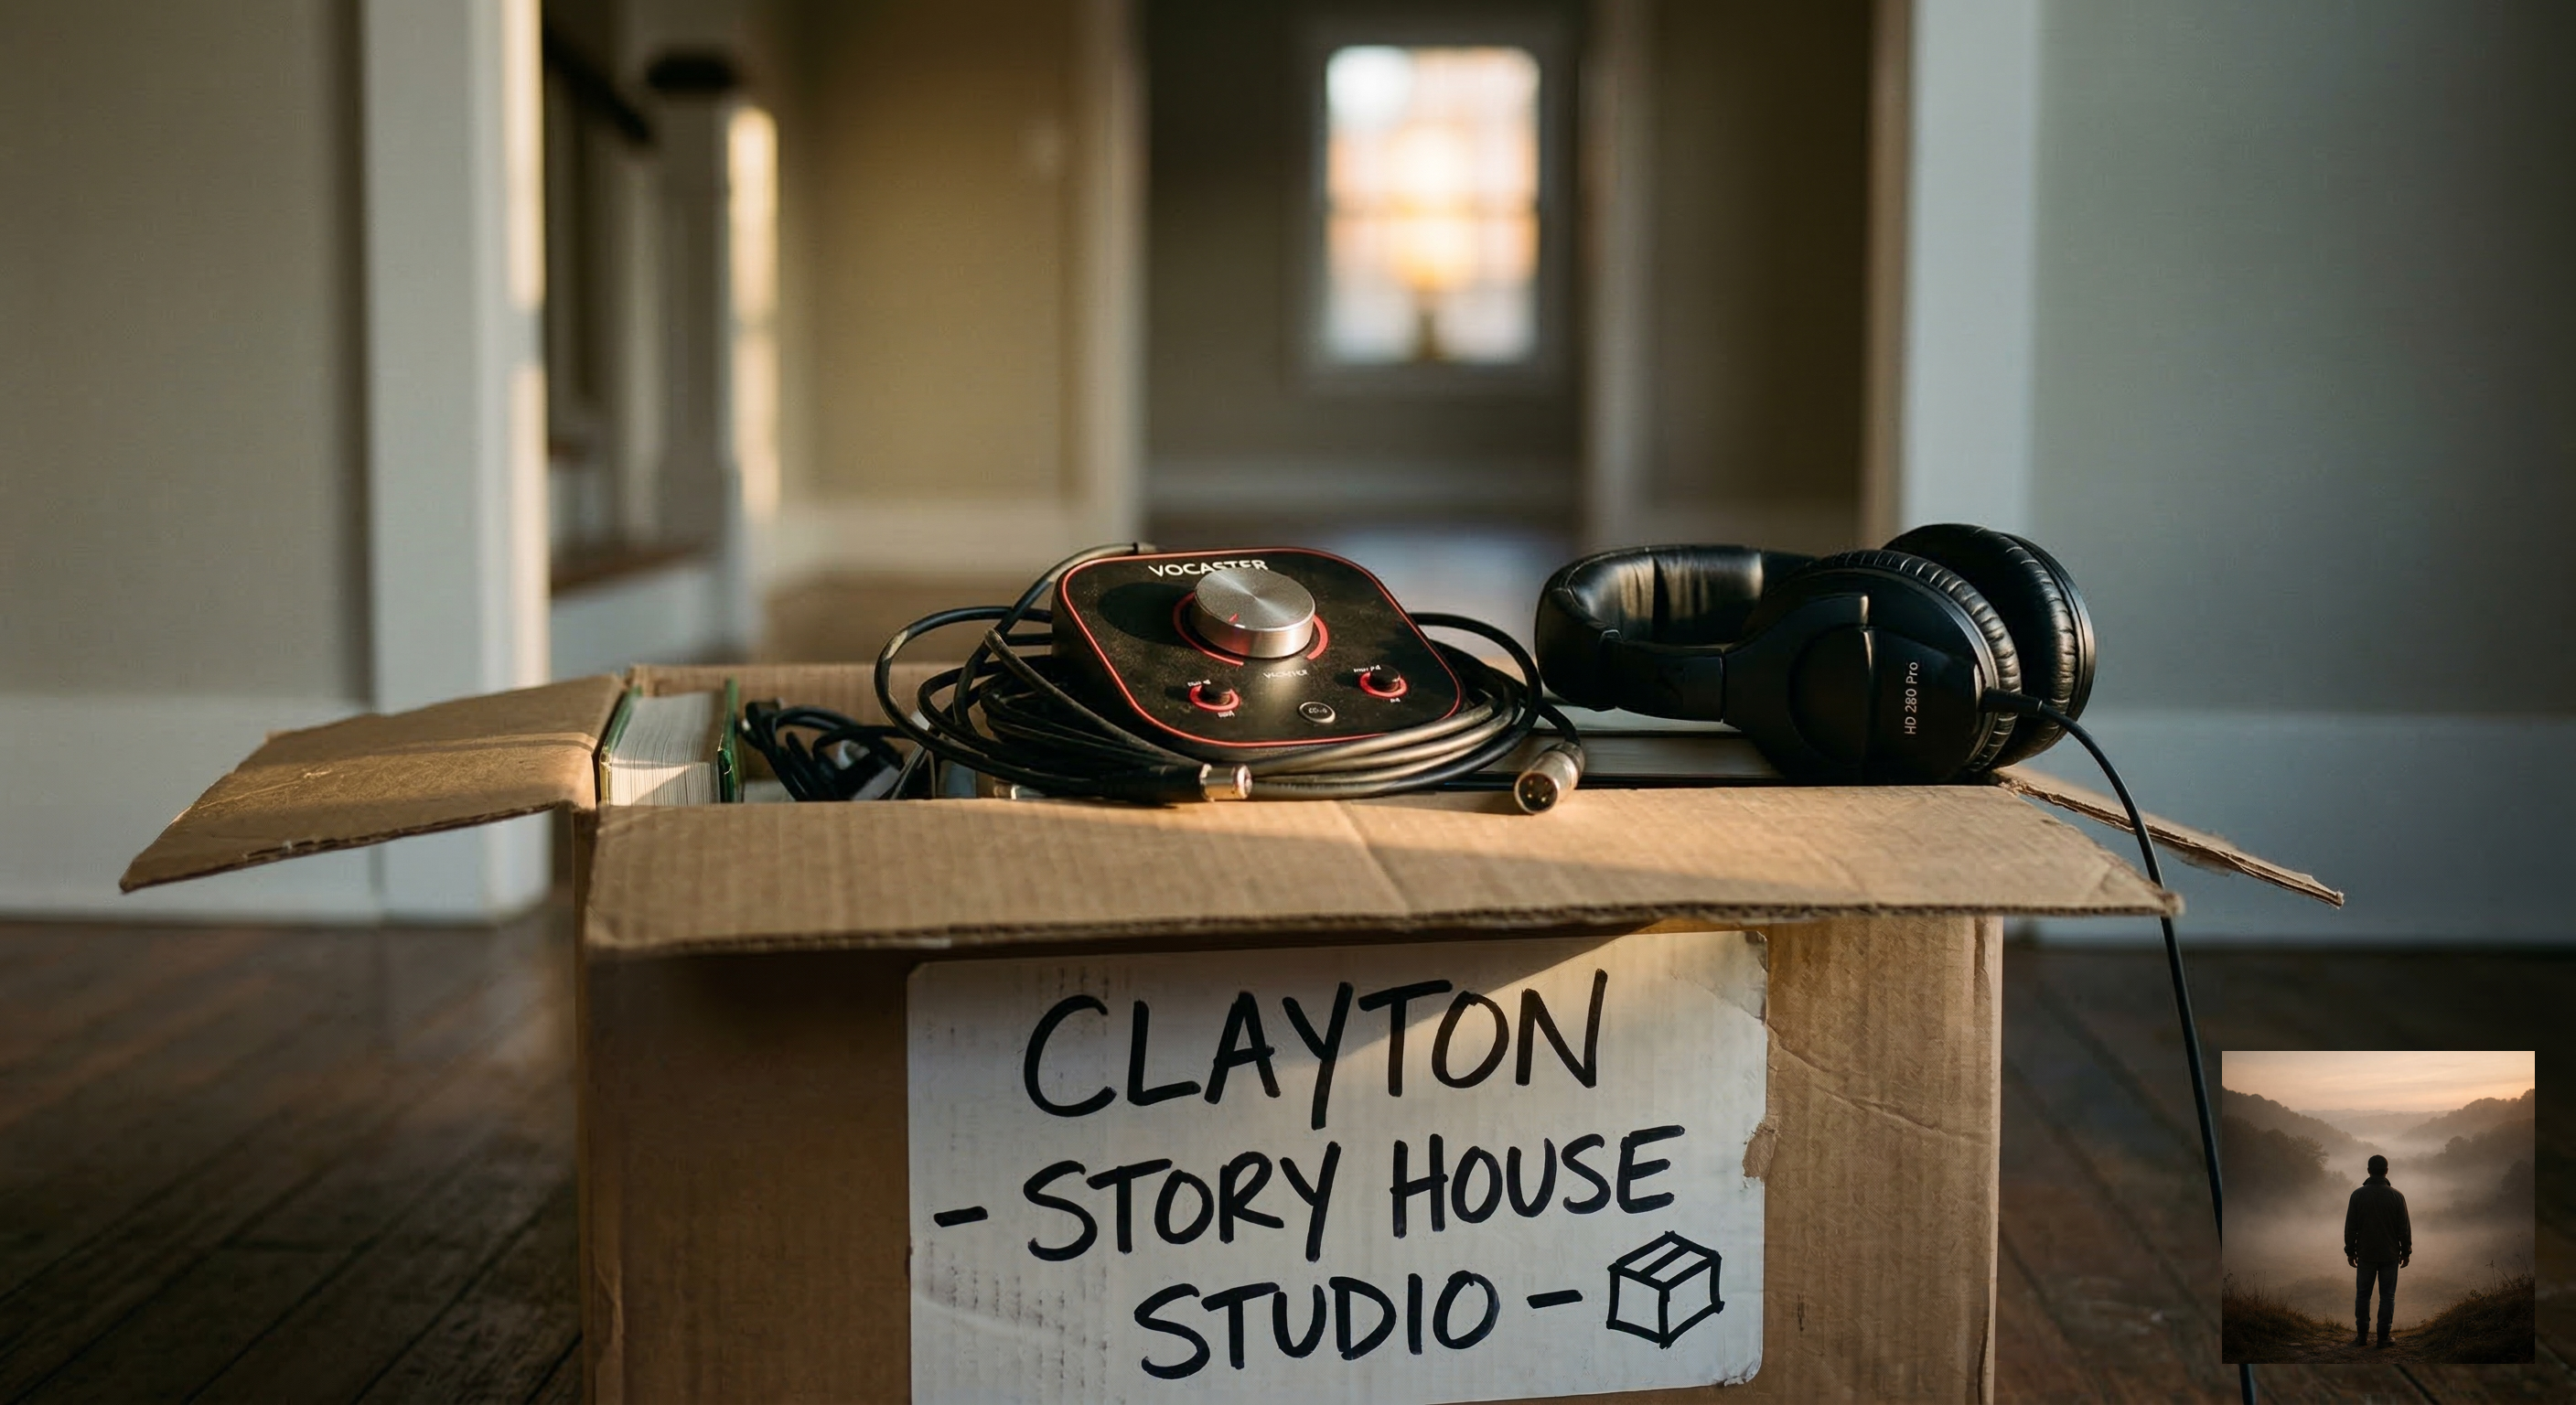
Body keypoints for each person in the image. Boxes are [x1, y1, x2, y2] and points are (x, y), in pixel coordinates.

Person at [2344, 1153, 2412, 1347]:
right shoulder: (2397, 1196)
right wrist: (2406, 1252)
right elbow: (2404, 1228)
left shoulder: (2357, 1195)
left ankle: (2362, 1336)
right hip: (2390, 1254)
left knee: (2363, 1295)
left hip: (2365, 1254)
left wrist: (2350, 1251)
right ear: (2386, 1171)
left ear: (2368, 1171)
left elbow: (2351, 1227)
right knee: (2387, 1296)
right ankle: (2383, 1337)